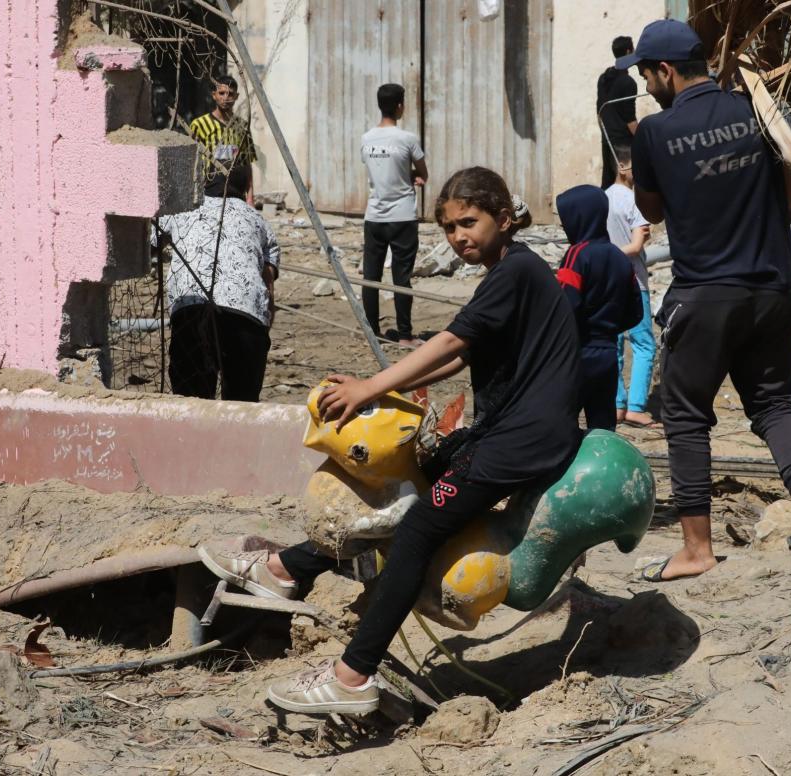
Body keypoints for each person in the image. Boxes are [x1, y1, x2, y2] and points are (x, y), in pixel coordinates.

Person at [197, 168, 581, 715]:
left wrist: (369, 388)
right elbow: (460, 353)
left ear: (503, 217)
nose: (458, 236)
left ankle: (352, 675)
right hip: (509, 433)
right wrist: (402, 394)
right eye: (448, 228)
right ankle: (286, 569)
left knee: (419, 526)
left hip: (521, 441)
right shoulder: (510, 272)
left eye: (469, 222)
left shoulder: (515, 273)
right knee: (413, 478)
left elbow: (449, 339)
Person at [620, 19, 791, 580]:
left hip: (706, 292)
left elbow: (652, 212)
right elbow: (790, 188)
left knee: (686, 416)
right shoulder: (761, 111)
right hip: (773, 287)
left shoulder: (653, 132)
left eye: (646, 73)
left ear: (666, 70)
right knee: (774, 403)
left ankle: (696, 549)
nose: (645, 84)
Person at [155, 166, 279, 402]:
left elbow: (150, 239)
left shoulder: (182, 210)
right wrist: (260, 334)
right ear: (244, 189)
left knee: (190, 403)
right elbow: (268, 289)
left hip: (191, 311)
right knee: (241, 407)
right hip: (247, 318)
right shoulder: (259, 220)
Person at [556, 184, 643, 431]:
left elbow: (565, 306)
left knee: (562, 422)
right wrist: (608, 329)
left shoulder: (576, 254)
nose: (565, 227)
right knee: (603, 424)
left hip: (576, 353)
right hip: (606, 354)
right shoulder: (619, 257)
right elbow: (636, 310)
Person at [362, 83, 429, 347]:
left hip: (374, 216)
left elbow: (377, 172)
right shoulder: (407, 139)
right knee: (401, 277)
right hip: (402, 216)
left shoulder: (366, 139)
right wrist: (412, 176)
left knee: (371, 277)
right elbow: (423, 174)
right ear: (400, 105)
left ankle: (372, 331)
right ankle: (404, 334)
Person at [605, 145, 657, 427]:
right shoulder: (634, 201)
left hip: (607, 284)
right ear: (624, 168)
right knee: (644, 344)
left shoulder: (603, 199)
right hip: (633, 282)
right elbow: (636, 245)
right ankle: (636, 406)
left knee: (613, 344)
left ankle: (616, 405)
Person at [189, 75, 256, 206]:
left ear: (236, 97)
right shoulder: (199, 124)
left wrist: (250, 198)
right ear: (214, 95)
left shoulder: (242, 126)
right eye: (222, 93)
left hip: (237, 195)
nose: (226, 98)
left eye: (230, 94)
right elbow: (191, 161)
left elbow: (247, 163)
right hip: (210, 193)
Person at [597, 36, 640, 189]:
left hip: (607, 139)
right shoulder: (628, 82)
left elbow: (599, 112)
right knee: (625, 185)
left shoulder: (604, 78)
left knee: (609, 185)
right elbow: (630, 120)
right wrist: (644, 138)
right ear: (629, 51)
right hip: (623, 143)